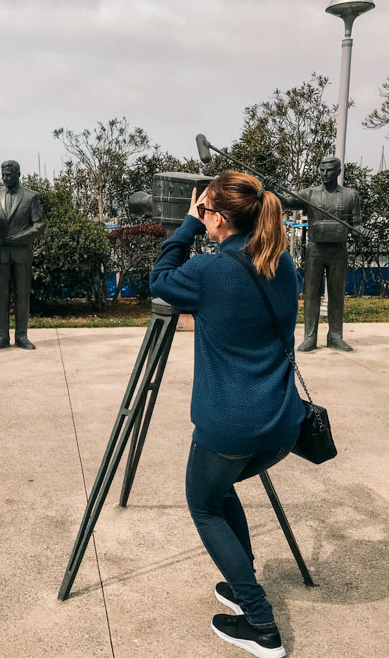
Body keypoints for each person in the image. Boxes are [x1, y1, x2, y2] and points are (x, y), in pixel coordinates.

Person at [149, 171, 304, 658]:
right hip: (282, 425)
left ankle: (260, 624)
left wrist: (186, 225)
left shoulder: (211, 273)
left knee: (203, 503)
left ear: (216, 217)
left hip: (231, 426)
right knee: (221, 488)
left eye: (207, 212)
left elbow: (159, 281)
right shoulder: (282, 263)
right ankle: (240, 585)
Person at [292, 157, 362, 352]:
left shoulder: (351, 195)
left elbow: (357, 224)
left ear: (338, 171)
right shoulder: (310, 193)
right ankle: (309, 336)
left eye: (329, 170)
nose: (324, 174)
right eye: (321, 170)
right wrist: (272, 191)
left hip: (338, 251)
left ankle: (335, 335)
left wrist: (359, 231)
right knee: (311, 294)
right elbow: (289, 201)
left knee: (337, 294)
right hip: (315, 250)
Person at [0, 160, 45, 350]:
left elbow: (39, 225)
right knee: (1, 297)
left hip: (21, 254)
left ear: (18, 174)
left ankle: (21, 336)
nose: (4, 178)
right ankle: (1, 336)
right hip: (0, 255)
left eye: (8, 175)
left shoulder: (31, 197)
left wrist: (20, 238)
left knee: (22, 296)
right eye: (2, 175)